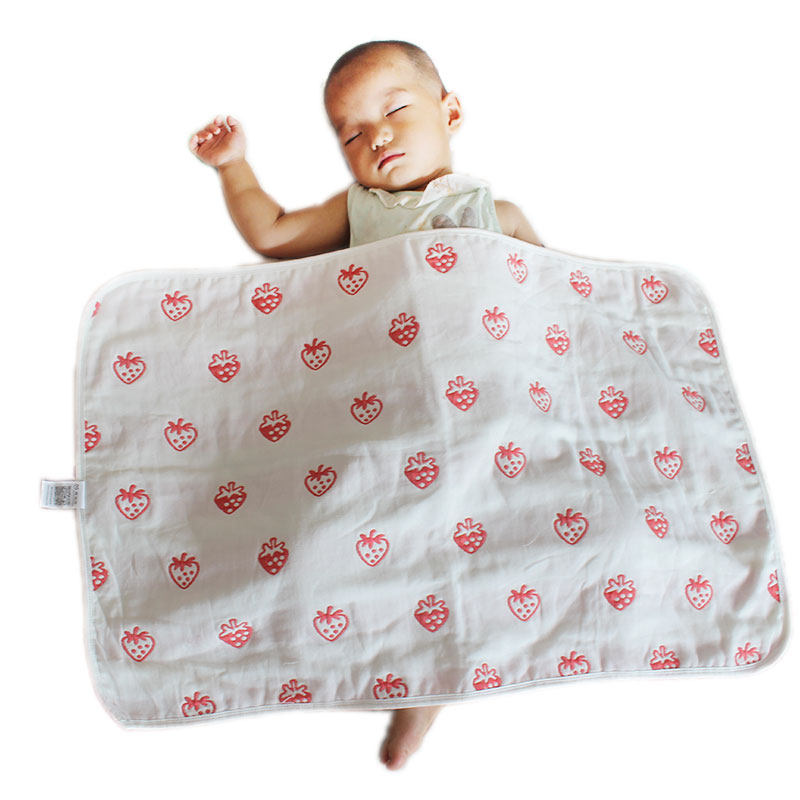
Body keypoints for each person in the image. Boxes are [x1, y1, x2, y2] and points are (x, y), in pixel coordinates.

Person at [188, 39, 544, 770]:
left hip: (482, 413)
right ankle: (370, 654)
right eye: (350, 133)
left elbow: (559, 297)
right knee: (369, 531)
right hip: (385, 408)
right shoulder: (362, 212)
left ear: (450, 111)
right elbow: (273, 234)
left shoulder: (496, 213)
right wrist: (234, 167)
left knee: (470, 539)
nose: (375, 137)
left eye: (394, 110)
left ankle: (427, 688)